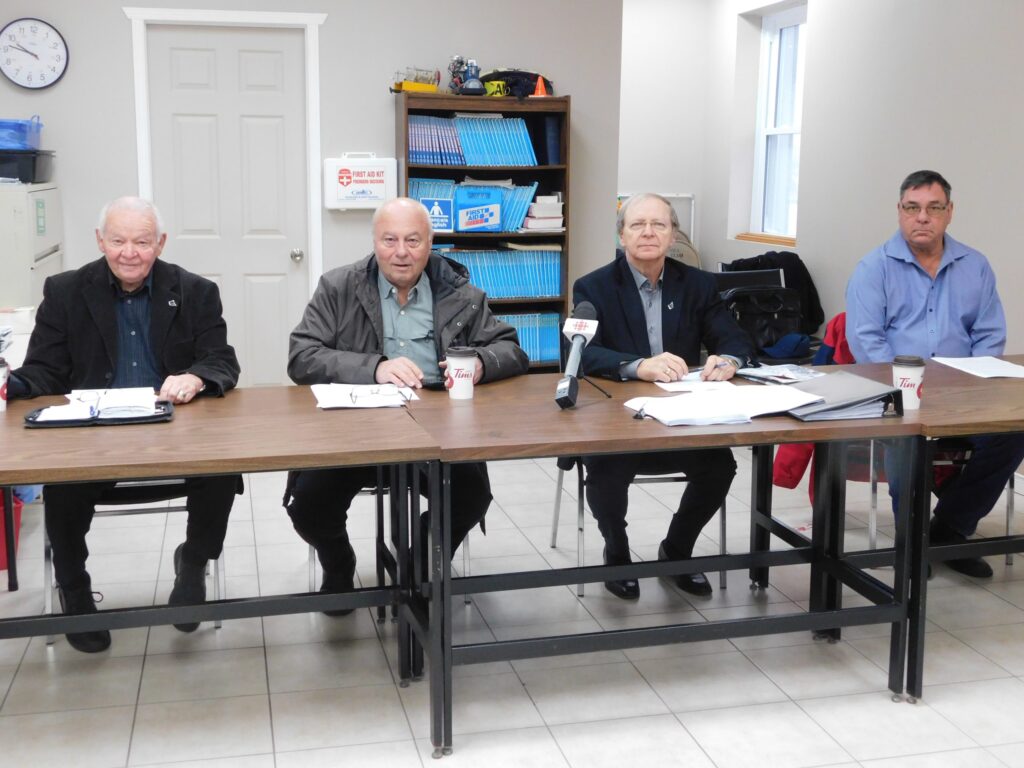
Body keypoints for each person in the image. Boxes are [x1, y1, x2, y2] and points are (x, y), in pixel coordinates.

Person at [8, 196, 242, 653]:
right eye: (118, 241)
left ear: (161, 243)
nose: (129, 253)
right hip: (93, 435)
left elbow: (222, 361)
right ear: (100, 241)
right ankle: (74, 590)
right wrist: (11, 383)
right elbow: (46, 371)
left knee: (222, 469)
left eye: (142, 242)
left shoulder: (195, 291)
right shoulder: (65, 292)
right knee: (63, 483)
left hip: (173, 429)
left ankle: (193, 563)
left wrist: (196, 376)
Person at [284, 197, 528, 613]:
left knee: (471, 495)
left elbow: (511, 349)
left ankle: (420, 565)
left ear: (430, 243)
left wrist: (480, 364)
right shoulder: (338, 287)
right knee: (309, 504)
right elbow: (301, 356)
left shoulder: (461, 293)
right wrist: (374, 367)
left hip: (438, 434)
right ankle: (339, 565)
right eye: (390, 240)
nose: (401, 252)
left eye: (413, 241)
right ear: (374, 242)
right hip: (355, 432)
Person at [573, 193, 755, 600]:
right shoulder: (593, 287)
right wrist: (638, 365)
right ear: (621, 235)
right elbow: (581, 352)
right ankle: (617, 554)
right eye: (637, 224)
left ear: (673, 234)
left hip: (681, 418)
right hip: (618, 420)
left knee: (720, 466)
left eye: (659, 224)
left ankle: (676, 551)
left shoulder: (699, 284)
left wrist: (728, 359)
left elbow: (733, 338)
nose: (648, 233)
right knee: (606, 473)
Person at [847, 170, 1024, 578]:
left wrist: (967, 392)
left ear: (949, 212)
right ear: (899, 211)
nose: (922, 217)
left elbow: (989, 335)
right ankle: (911, 543)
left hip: (964, 398)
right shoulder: (873, 268)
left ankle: (948, 531)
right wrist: (908, 391)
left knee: (1013, 431)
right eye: (912, 208)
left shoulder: (975, 266)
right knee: (907, 440)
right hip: (898, 398)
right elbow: (867, 344)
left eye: (933, 208)